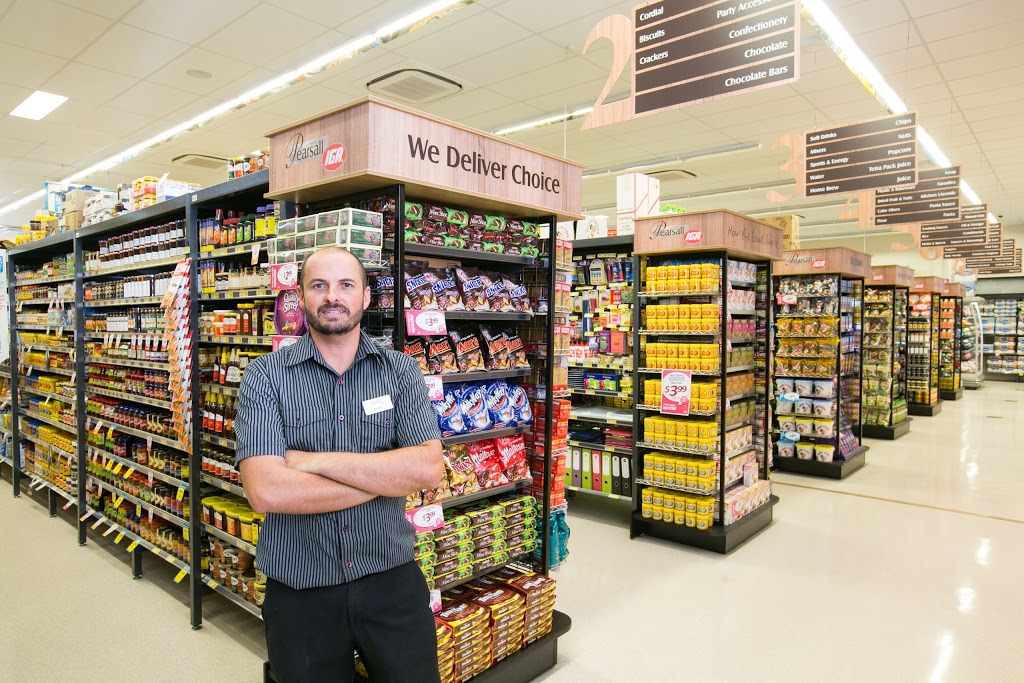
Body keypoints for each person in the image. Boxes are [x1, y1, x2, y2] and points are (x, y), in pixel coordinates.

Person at [235, 246, 444, 683]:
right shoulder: (264, 376)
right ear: (301, 296)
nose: (333, 296)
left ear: (366, 297)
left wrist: (312, 462)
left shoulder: (401, 371)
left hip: (391, 576)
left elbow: (427, 469)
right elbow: (266, 491)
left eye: (346, 285)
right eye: (319, 285)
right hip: (300, 588)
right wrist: (383, 478)